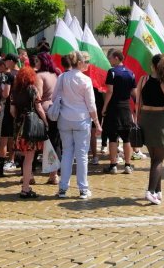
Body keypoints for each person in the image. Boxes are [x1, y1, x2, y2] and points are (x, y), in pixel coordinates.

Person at [54, 51, 101, 200]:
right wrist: (97, 123)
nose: (88, 64)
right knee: (81, 155)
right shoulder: (85, 80)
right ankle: (83, 189)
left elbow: (55, 97)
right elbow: (91, 105)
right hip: (81, 119)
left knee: (67, 153)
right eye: (86, 62)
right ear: (79, 63)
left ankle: (63, 188)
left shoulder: (62, 77)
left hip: (65, 118)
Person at [136, 54, 164, 205]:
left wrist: (137, 120)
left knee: (155, 158)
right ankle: (150, 191)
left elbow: (137, 103)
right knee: (159, 160)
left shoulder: (143, 79)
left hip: (145, 118)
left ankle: (158, 191)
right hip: (160, 118)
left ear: (153, 66)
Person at [10, 66, 47, 198]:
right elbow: (39, 108)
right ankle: (25, 188)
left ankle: (26, 185)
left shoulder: (14, 91)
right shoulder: (33, 89)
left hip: (19, 127)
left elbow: (12, 112)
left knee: (24, 157)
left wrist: (19, 118)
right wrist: (45, 122)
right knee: (29, 160)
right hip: (30, 128)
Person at [100, 49, 136, 174]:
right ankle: (127, 165)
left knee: (113, 138)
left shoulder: (112, 72)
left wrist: (104, 107)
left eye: (109, 58)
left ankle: (113, 165)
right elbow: (134, 93)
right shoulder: (131, 73)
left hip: (114, 108)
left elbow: (109, 91)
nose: (109, 61)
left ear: (116, 58)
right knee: (127, 138)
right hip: (126, 108)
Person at [34, 52, 60, 184]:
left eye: (37, 61)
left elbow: (38, 98)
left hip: (44, 111)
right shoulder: (55, 74)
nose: (35, 64)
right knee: (54, 142)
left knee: (36, 143)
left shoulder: (39, 76)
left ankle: (30, 174)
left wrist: (42, 118)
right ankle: (53, 174)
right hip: (56, 110)